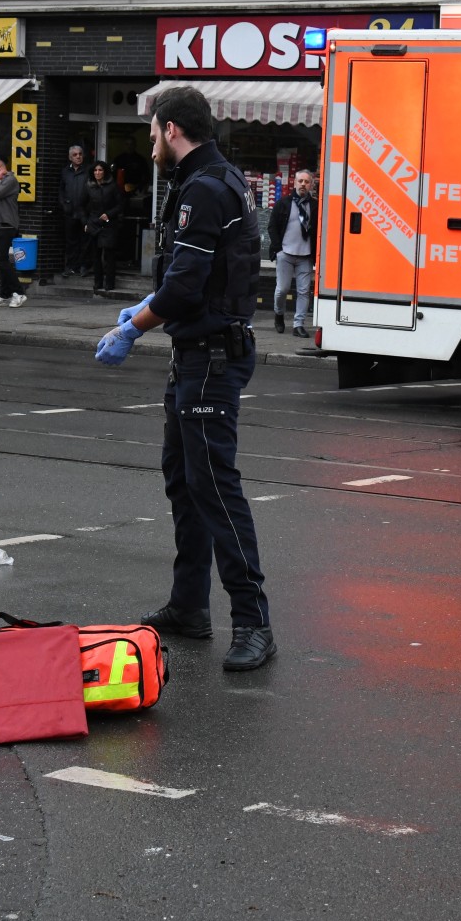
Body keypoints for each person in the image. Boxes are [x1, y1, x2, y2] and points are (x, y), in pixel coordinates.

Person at [92, 85, 274, 672]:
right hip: (200, 353)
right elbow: (199, 275)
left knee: (215, 489)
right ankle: (190, 607)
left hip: (211, 358)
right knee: (186, 483)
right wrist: (153, 311)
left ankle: (253, 622)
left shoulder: (202, 187)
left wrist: (133, 326)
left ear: (172, 129)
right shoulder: (218, 179)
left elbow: (186, 286)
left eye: (151, 133)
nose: (148, 145)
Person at [268, 170, 317, 337]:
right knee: (282, 289)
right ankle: (279, 314)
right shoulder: (283, 203)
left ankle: (299, 324)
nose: (303, 184)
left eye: (307, 182)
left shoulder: (315, 206)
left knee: (303, 291)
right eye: (300, 181)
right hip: (285, 253)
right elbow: (272, 226)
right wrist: (278, 248)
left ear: (311, 185)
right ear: (295, 183)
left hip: (305, 256)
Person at [0, 157, 27, 307]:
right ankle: (4, 294)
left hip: (6, 224)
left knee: (1, 260)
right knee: (1, 261)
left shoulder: (10, 180)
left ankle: (19, 293)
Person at [82, 160, 125, 295]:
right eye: (95, 170)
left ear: (105, 172)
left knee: (109, 254)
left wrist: (109, 214)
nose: (97, 173)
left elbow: (121, 204)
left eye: (100, 170)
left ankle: (109, 282)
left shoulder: (113, 187)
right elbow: (82, 206)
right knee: (95, 255)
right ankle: (97, 282)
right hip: (94, 223)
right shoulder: (89, 187)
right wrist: (86, 222)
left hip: (108, 223)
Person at [60, 144, 90, 277]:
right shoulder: (65, 172)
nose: (78, 157)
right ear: (70, 157)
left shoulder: (89, 171)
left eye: (80, 154)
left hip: (85, 212)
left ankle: (84, 266)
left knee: (85, 240)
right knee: (71, 241)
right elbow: (61, 190)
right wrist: (64, 204)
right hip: (70, 212)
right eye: (75, 155)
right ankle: (71, 266)